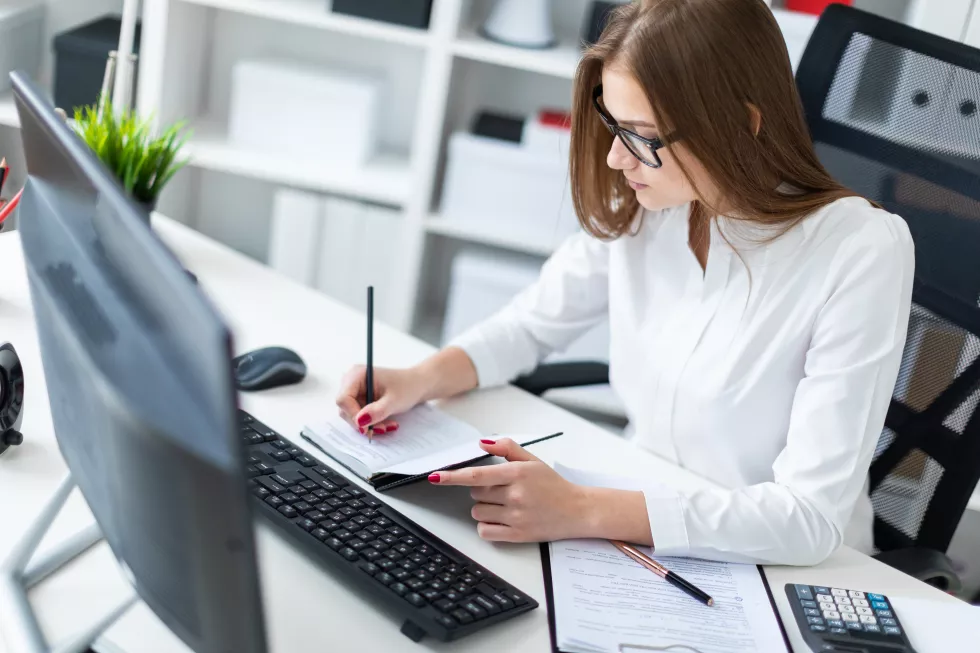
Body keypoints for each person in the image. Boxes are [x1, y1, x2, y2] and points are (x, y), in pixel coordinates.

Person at [335, 0, 914, 566]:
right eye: (615, 125)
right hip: (642, 526)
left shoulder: (861, 250)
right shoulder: (654, 204)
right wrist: (417, 380)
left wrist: (581, 509)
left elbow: (807, 520)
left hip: (776, 568)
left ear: (742, 125)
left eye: (640, 134)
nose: (615, 158)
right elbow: (531, 324)